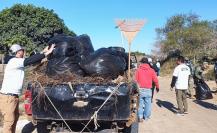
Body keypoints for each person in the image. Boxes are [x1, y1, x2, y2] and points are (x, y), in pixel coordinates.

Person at [0, 44, 55, 133]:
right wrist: (47, 52)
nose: (24, 52)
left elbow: (31, 60)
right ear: (18, 52)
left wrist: (42, 52)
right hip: (8, 97)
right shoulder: (14, 61)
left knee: (14, 120)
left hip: (13, 97)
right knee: (9, 122)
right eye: (22, 50)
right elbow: (30, 60)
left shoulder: (17, 61)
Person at [135, 57, 159, 122]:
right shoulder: (151, 70)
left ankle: (140, 117)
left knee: (140, 104)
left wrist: (135, 89)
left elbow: (135, 80)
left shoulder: (138, 70)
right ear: (148, 63)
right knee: (148, 104)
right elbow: (155, 80)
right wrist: (157, 87)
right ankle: (146, 117)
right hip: (148, 89)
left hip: (140, 89)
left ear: (142, 62)